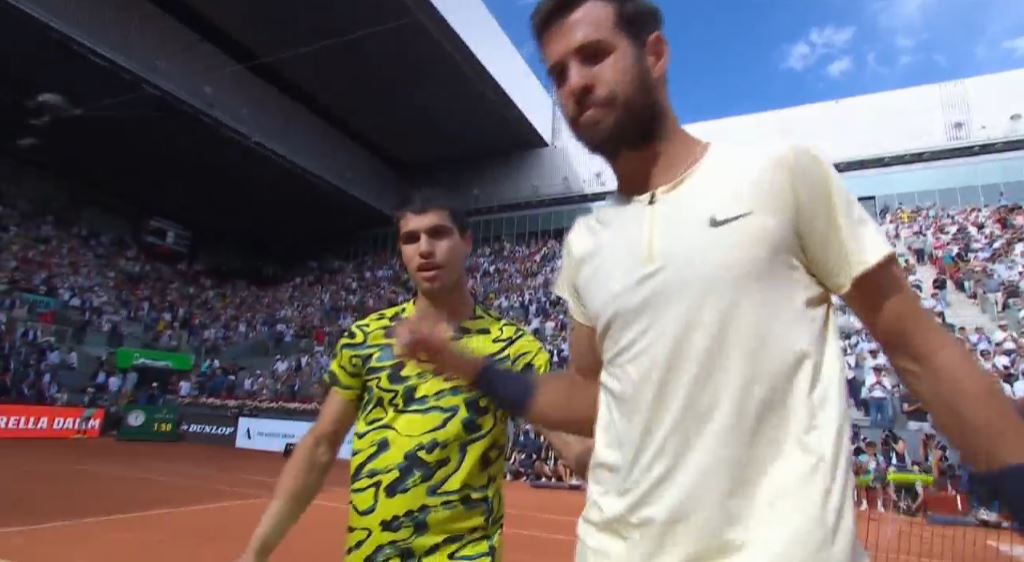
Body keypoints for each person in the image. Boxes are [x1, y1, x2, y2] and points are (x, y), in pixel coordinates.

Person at [392, 0, 1024, 560]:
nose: (575, 82)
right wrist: (466, 367)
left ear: (655, 54)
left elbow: (917, 348)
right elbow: (592, 399)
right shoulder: (586, 244)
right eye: (558, 73)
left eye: (594, 55)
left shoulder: (781, 173)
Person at [238, 192, 590, 562]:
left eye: (438, 233)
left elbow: (572, 445)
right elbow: (321, 445)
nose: (424, 248)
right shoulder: (366, 338)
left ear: (467, 242)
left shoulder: (514, 348)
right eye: (410, 238)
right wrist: (254, 554)